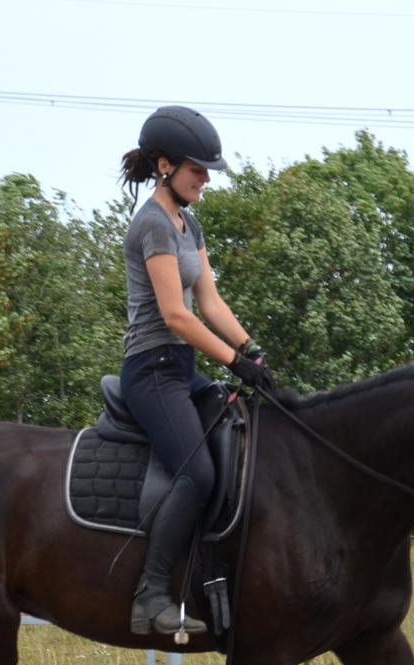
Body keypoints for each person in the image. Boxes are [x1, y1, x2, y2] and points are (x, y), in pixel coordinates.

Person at [118, 105, 272, 637]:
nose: (206, 179)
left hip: (181, 369)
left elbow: (208, 299)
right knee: (197, 472)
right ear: (165, 165)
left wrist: (250, 349)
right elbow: (176, 315)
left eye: (207, 171)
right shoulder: (153, 225)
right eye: (197, 170)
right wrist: (231, 361)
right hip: (150, 371)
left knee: (245, 435)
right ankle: (151, 595)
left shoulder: (190, 221)